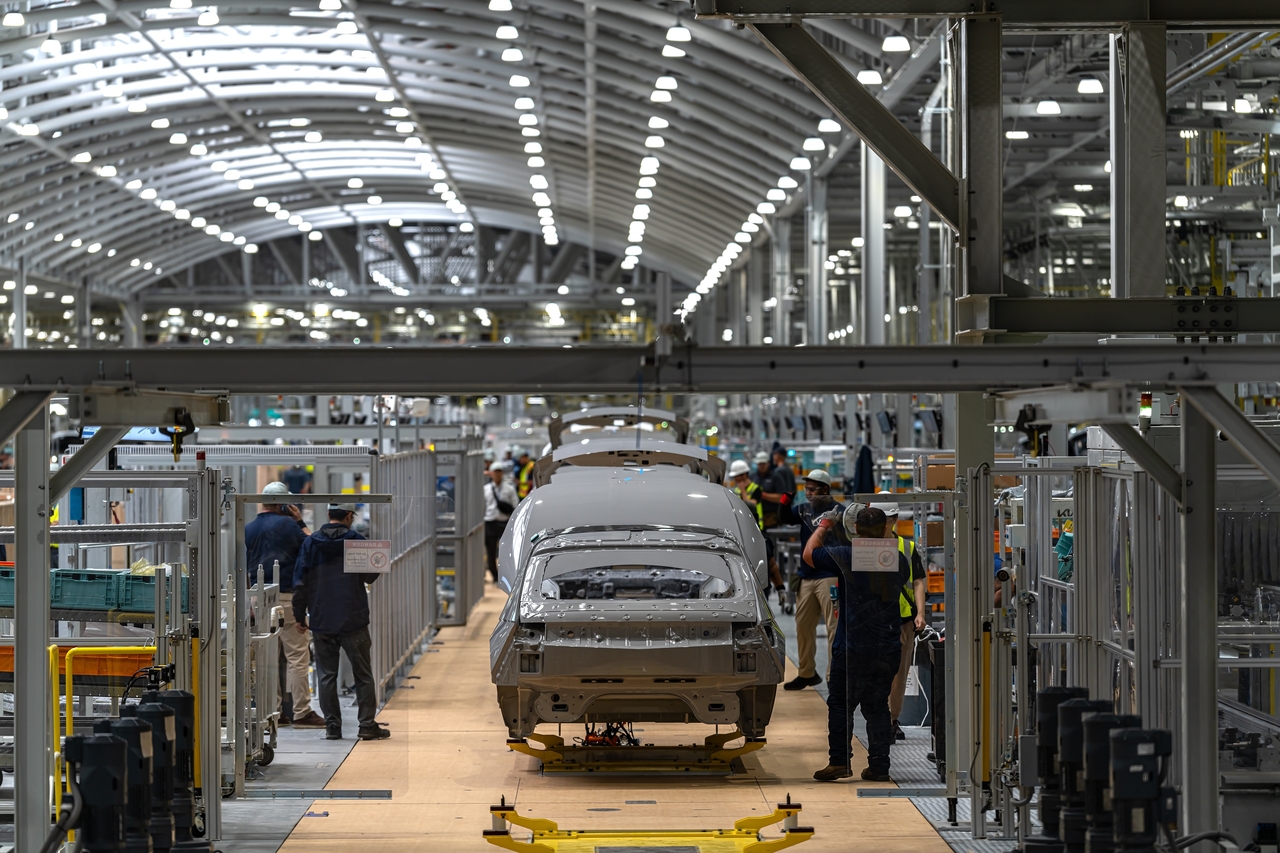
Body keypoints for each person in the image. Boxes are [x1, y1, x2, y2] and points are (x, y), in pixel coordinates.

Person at [804, 505, 908, 783]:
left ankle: (839, 762)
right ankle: (879, 766)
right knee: (877, 707)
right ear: (886, 528)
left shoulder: (846, 555)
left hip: (852, 647)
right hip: (887, 646)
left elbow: (809, 554)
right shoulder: (898, 558)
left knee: (840, 703)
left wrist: (825, 525)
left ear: (856, 529)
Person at [292, 502, 389, 741]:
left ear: (328, 515)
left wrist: (299, 615)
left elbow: (301, 583)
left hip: (322, 617)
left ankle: (332, 727)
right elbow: (369, 576)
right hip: (352, 617)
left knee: (326, 675)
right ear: (348, 516)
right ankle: (366, 725)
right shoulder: (357, 542)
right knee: (363, 674)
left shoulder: (310, 543)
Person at [245, 482, 325, 728]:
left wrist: (249, 602)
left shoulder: (248, 528)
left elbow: (242, 567)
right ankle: (302, 711)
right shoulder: (290, 525)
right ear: (283, 504)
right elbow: (315, 545)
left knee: (267, 658)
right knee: (297, 656)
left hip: (258, 597)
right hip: (287, 599)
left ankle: (273, 713)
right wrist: (300, 521)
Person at [872, 503, 927, 742]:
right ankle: (877, 718)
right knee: (875, 673)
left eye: (885, 518)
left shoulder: (907, 547)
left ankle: (892, 720)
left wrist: (921, 614)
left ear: (893, 520)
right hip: (873, 621)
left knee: (899, 672)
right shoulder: (863, 547)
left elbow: (918, 582)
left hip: (903, 620)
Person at [783, 470, 841, 691]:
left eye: (812, 489)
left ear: (825, 490)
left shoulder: (838, 512)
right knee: (803, 626)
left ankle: (833, 676)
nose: (808, 493)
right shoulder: (804, 510)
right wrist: (784, 503)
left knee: (833, 628)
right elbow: (786, 518)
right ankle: (807, 673)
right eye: (805, 489)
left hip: (830, 576)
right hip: (807, 576)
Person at [484, 461, 518, 583]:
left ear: (502, 473)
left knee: (506, 552)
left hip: (505, 523)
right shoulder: (486, 489)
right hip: (490, 523)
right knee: (491, 552)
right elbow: (482, 506)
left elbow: (515, 505)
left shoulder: (509, 489)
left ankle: (507, 577)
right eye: (495, 472)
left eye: (499, 472)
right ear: (491, 473)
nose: (497, 474)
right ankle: (494, 576)